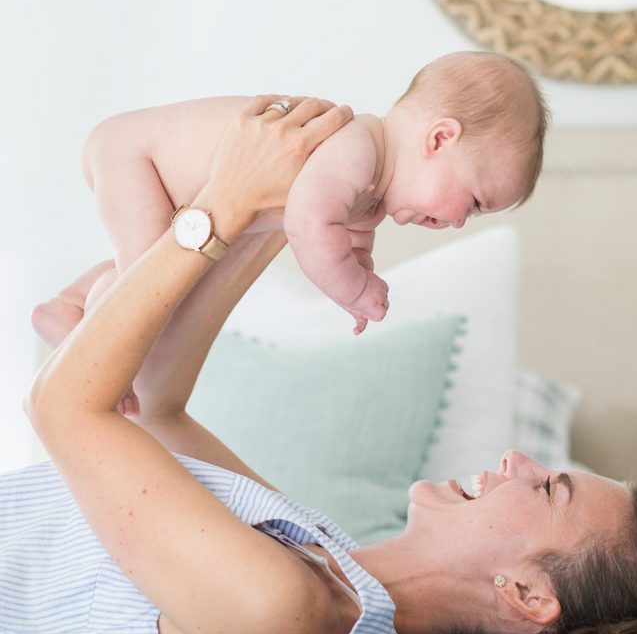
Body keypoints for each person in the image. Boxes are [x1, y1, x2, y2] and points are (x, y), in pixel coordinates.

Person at [8, 95, 637, 634]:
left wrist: (227, 200)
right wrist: (284, 213)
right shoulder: (322, 562)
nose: (516, 461)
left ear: (528, 594)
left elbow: (63, 407)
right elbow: (157, 410)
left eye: (545, 488)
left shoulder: (288, 612)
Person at [32, 52, 549, 390]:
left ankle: (70, 304)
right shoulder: (353, 148)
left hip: (158, 176)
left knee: (159, 261)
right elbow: (309, 227)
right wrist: (351, 290)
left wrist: (361, 268)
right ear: (439, 139)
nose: (461, 222)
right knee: (150, 279)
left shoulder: (369, 197)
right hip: (132, 155)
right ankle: (96, 354)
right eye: (476, 202)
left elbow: (349, 241)